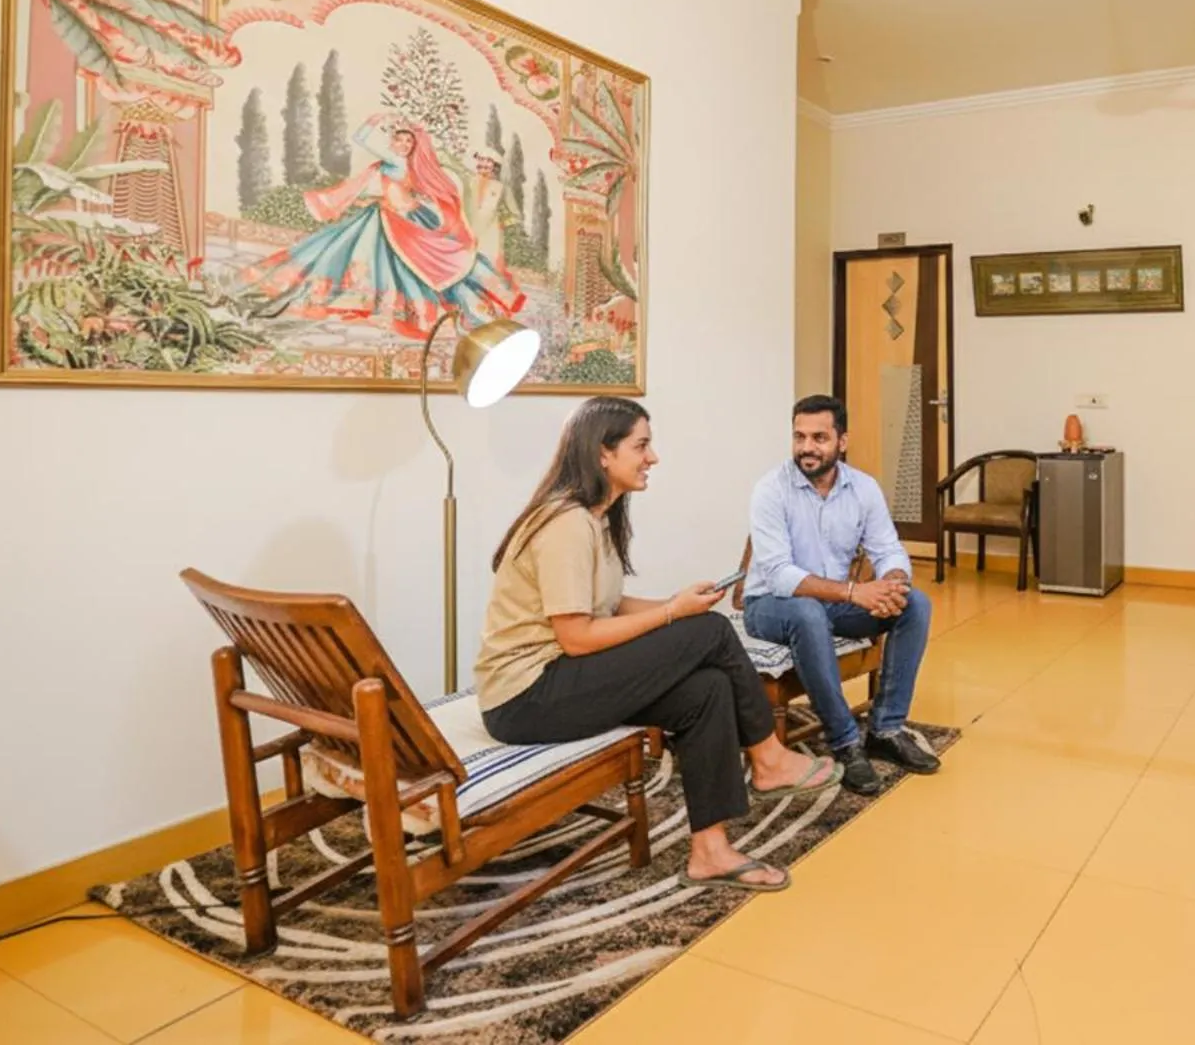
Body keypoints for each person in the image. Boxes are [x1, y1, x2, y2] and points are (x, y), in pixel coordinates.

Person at [475, 396, 834, 892]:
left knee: (705, 688)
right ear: (603, 453)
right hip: (525, 698)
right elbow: (576, 639)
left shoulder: (595, 518)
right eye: (641, 445)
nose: (653, 457)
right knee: (710, 633)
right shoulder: (565, 524)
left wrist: (676, 602)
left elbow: (608, 605)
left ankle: (710, 851)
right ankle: (768, 757)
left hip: (560, 680)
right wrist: (673, 617)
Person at [742, 395, 939, 795]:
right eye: (799, 437)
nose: (807, 447)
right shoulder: (770, 490)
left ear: (842, 441)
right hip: (769, 606)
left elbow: (888, 549)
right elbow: (780, 576)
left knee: (915, 604)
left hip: (831, 604)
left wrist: (893, 583)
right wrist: (855, 592)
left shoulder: (863, 488)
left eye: (819, 437)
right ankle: (845, 742)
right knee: (808, 612)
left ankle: (885, 729)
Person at [246, 114, 522, 340]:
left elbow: (367, 143)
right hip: (390, 218)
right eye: (398, 139)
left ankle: (467, 312)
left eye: (407, 141)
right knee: (381, 262)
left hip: (405, 221)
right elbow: (374, 156)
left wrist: (377, 121)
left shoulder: (402, 162)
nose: (402, 144)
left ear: (414, 145)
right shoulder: (400, 162)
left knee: (416, 267)